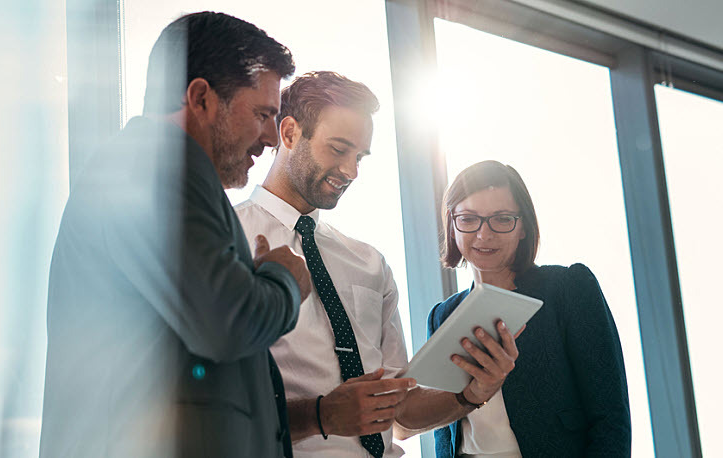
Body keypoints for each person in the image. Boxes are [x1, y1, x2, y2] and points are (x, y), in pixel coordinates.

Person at [39, 12, 310, 458]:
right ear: (201, 97)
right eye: (262, 114)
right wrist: (283, 281)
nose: (269, 138)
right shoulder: (154, 166)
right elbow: (225, 323)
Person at [235, 71, 520, 458]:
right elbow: (209, 406)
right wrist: (320, 416)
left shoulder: (368, 262)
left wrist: (472, 394)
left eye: (359, 157)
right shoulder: (226, 240)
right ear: (288, 133)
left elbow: (401, 408)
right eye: (338, 149)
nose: (351, 172)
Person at [428, 160, 632, 457]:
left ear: (522, 226)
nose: (484, 235)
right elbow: (443, 426)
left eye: (501, 219)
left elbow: (610, 418)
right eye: (469, 218)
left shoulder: (568, 288)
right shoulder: (442, 315)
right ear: (452, 223)